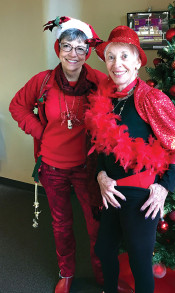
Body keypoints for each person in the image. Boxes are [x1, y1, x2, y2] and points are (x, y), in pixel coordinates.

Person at [85, 26, 175, 293]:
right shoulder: (106, 98)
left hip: (140, 193)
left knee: (139, 259)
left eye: (124, 56)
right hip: (112, 190)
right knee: (104, 249)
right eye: (110, 57)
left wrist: (164, 186)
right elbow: (101, 146)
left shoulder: (152, 98)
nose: (116, 64)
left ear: (136, 62)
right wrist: (101, 176)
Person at [9, 16, 107, 293]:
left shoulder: (98, 82)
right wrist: (41, 132)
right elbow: (17, 106)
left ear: (87, 52)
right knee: (62, 224)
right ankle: (66, 273)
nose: (73, 54)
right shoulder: (43, 82)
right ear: (58, 48)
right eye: (67, 46)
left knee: (95, 225)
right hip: (52, 167)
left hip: (87, 167)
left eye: (80, 48)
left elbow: (117, 108)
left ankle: (103, 275)